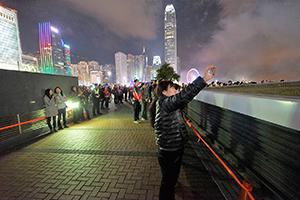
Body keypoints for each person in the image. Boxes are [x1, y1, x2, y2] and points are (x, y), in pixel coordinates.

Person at [149, 65, 217, 200]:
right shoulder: (166, 103)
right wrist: (202, 80)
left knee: (170, 178)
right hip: (170, 150)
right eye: (172, 88)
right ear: (164, 92)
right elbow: (184, 96)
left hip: (173, 148)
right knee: (167, 184)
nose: (176, 89)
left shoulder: (165, 103)